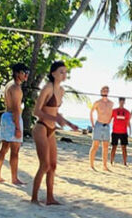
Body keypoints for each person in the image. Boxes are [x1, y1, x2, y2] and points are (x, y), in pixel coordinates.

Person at [31, 61, 80, 206]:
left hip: (51, 129)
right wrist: (55, 118)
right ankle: (34, 198)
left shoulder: (61, 90)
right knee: (44, 165)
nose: (64, 74)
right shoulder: (47, 88)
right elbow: (36, 112)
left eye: (65, 72)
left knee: (53, 165)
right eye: (61, 72)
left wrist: (70, 124)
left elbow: (55, 112)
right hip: (41, 127)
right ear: (53, 73)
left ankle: (50, 198)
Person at [0, 62, 29, 184]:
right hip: (12, 118)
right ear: (17, 73)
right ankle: (14, 178)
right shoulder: (15, 87)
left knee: (4, 148)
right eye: (25, 73)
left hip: (7, 117)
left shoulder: (9, 84)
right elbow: (15, 108)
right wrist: (18, 128)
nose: (26, 76)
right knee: (14, 151)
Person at [89, 85, 114, 171]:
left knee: (106, 146)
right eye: (103, 90)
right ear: (101, 91)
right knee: (95, 145)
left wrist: (109, 122)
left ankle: (104, 166)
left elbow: (111, 114)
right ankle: (91, 165)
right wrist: (92, 124)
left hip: (106, 126)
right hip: (98, 124)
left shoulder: (111, 103)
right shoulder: (97, 102)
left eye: (106, 90)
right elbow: (91, 112)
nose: (105, 91)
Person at [110, 97, 132, 166]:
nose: (122, 103)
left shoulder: (127, 112)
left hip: (123, 132)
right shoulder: (114, 111)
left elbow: (128, 122)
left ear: (124, 102)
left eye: (123, 102)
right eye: (120, 101)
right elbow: (109, 119)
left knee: (124, 148)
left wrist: (130, 129)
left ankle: (125, 162)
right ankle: (111, 161)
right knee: (114, 147)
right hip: (115, 132)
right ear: (119, 102)